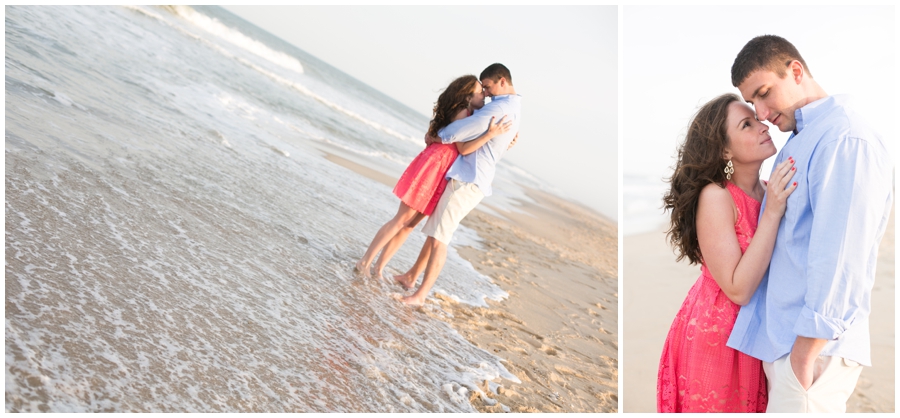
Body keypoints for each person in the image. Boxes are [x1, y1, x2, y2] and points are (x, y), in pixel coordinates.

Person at [726, 35, 893, 413]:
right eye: (753, 102)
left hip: (813, 354)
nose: (763, 112)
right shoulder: (802, 138)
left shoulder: (846, 139)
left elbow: (841, 256)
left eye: (765, 93)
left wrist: (803, 356)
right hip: (789, 348)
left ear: (796, 71)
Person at [657, 93, 798, 412]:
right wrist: (773, 212)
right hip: (717, 338)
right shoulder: (717, 196)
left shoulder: (768, 189)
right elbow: (737, 289)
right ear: (724, 150)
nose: (763, 126)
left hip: (759, 335)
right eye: (747, 125)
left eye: (757, 120)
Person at [355, 75, 512, 279]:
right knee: (402, 219)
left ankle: (378, 268)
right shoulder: (464, 114)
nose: (484, 94)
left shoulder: (472, 113)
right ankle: (365, 262)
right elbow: (464, 148)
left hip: (445, 171)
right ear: (466, 95)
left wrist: (505, 138)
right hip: (435, 165)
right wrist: (490, 135)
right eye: (479, 91)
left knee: (409, 225)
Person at [399, 63, 521, 306]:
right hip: (469, 176)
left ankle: (420, 296)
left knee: (439, 239)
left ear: (502, 82)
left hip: (468, 179)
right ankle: (411, 277)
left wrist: (438, 135)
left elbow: (464, 128)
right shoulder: (511, 106)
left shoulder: (499, 108)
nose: (485, 93)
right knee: (436, 232)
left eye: (487, 87)